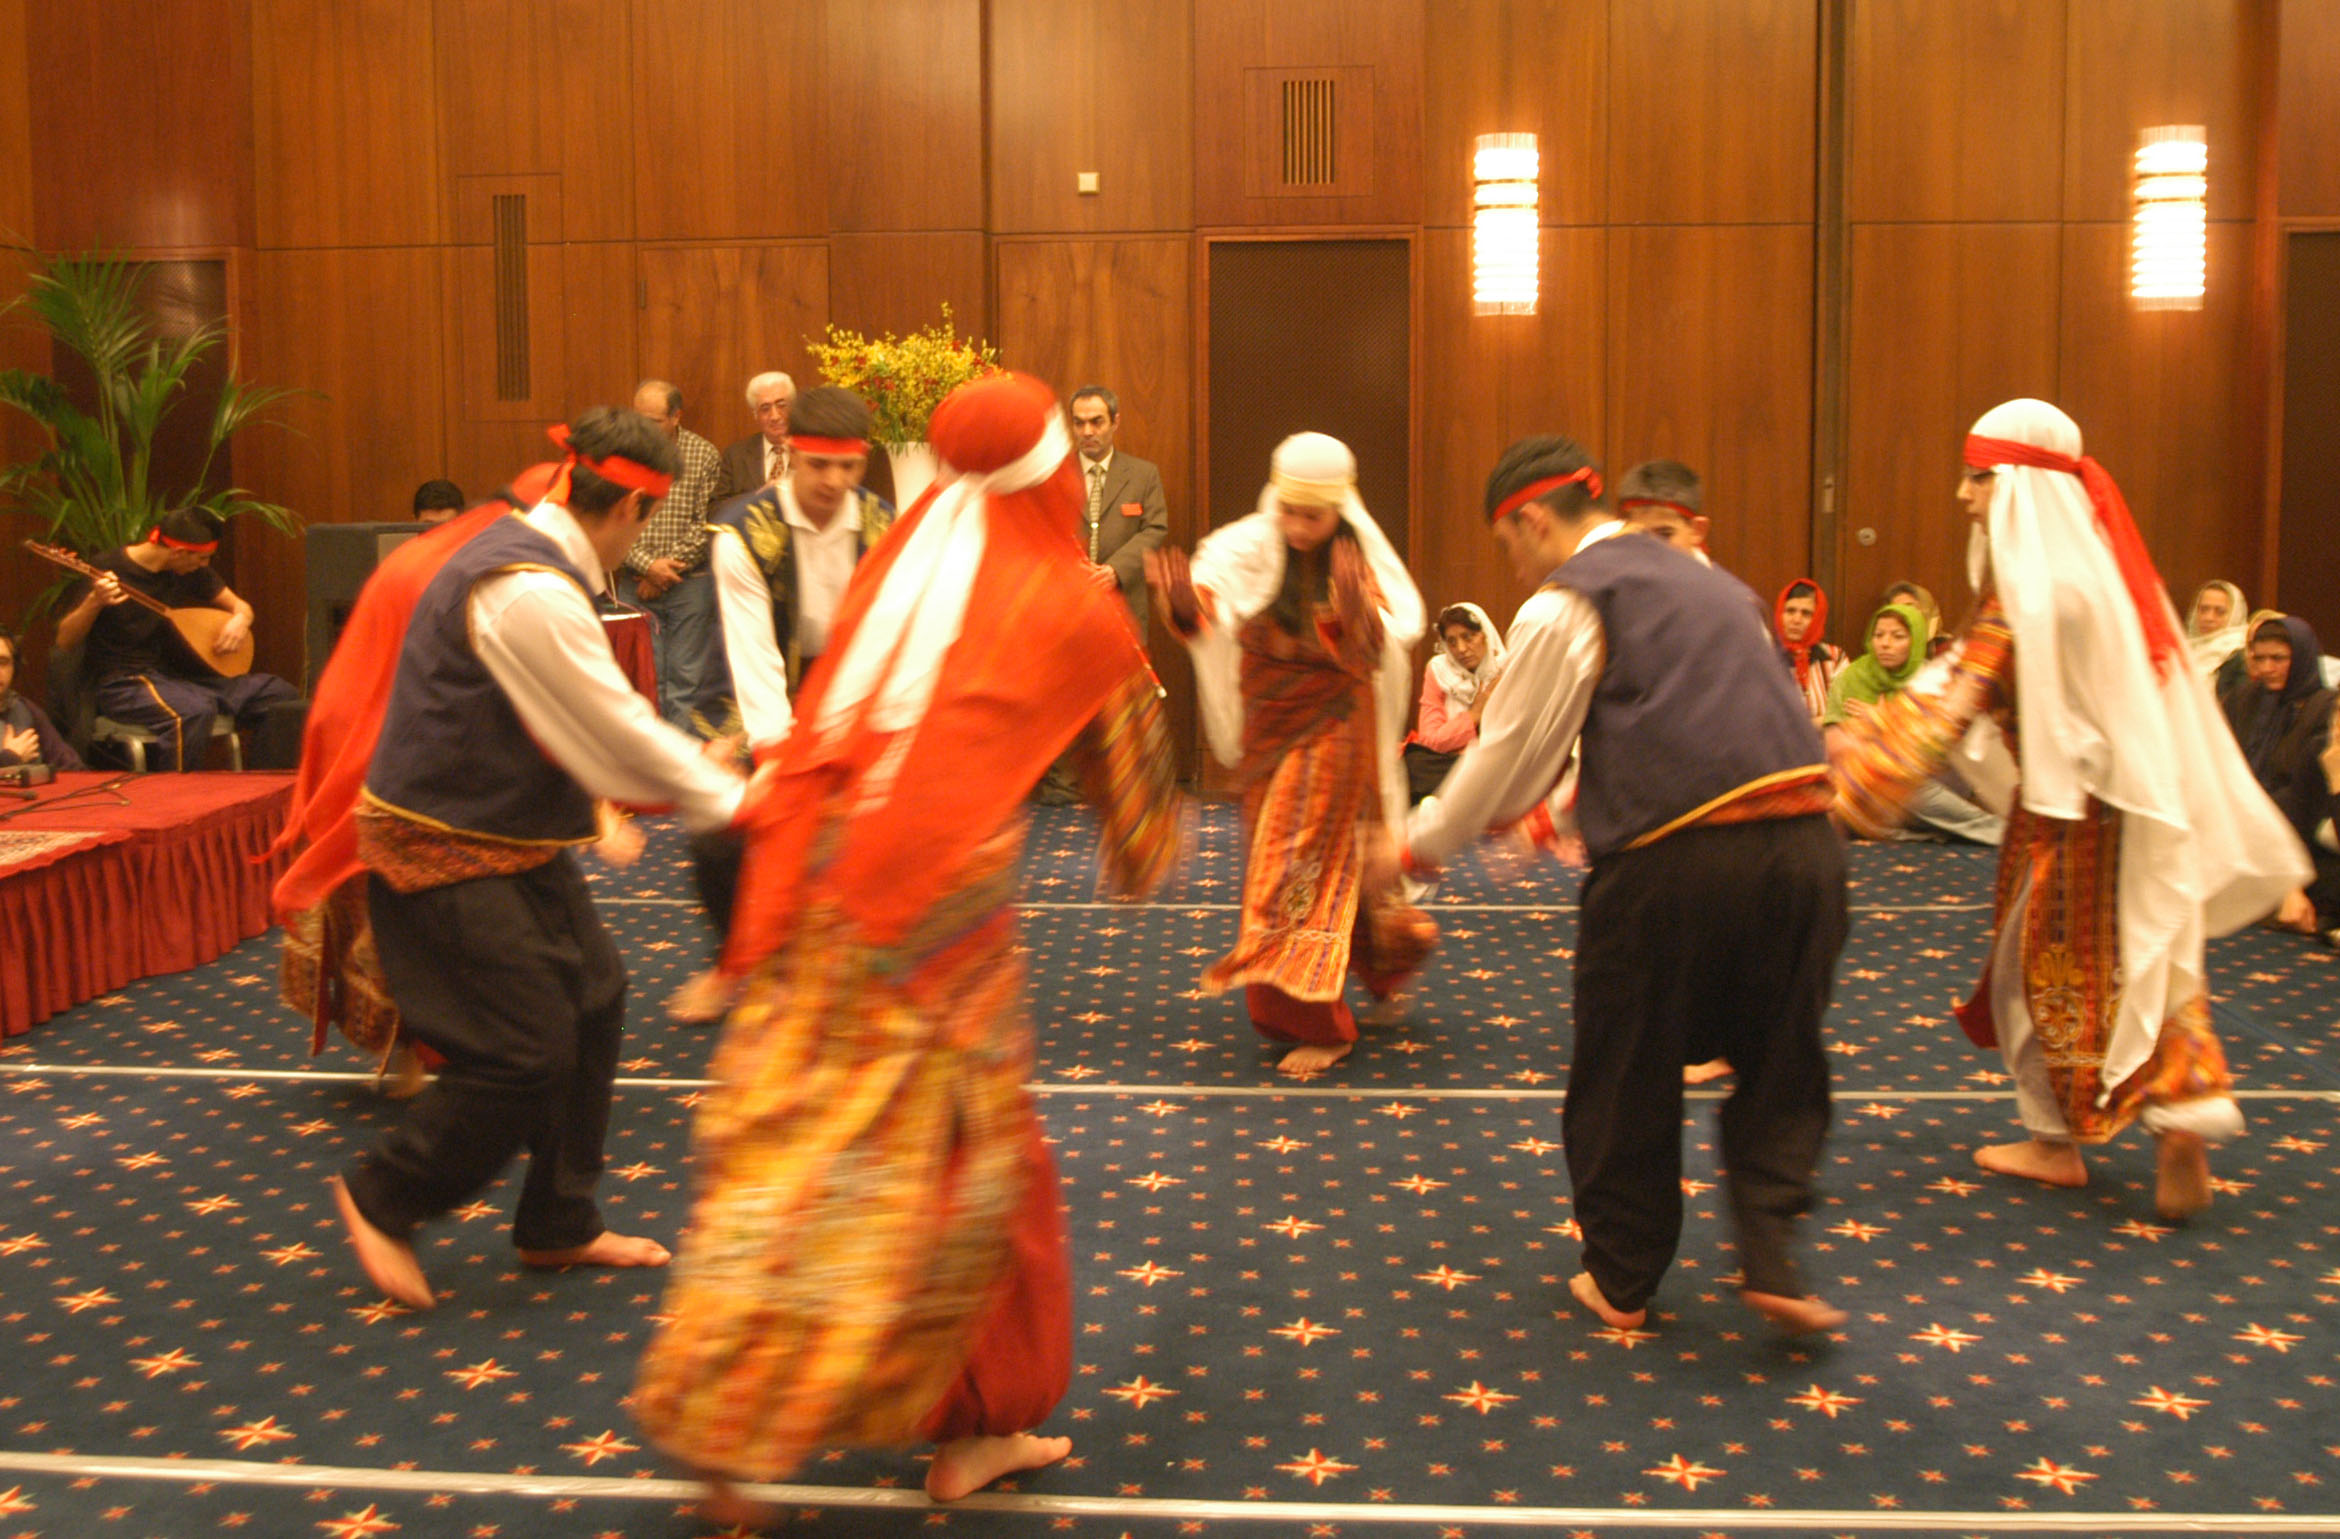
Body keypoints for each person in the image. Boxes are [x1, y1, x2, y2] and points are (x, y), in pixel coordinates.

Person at [632, 372, 1182, 1519]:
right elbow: (1141, 830)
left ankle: (721, 1398)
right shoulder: (1067, 598)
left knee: (794, 1149)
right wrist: (1138, 846)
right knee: (974, 1178)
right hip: (933, 918)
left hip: (806, 886)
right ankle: (972, 1423)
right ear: (1051, 470)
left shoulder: (901, 560)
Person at [1397, 434, 1847, 1338]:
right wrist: (1561, 815)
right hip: (1808, 849)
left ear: (1533, 519)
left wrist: (1417, 844)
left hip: (1674, 865)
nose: (1515, 567)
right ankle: (1772, 1255)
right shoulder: (1723, 586)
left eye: (1508, 545)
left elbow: (1510, 759)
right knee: (1781, 1059)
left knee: (1626, 1064)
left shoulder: (1568, 601)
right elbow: (1703, 726)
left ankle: (1622, 1279)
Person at [1832, 398, 2309, 1220]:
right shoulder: (2102, 580)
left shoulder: (2027, 590)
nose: (1963, 494)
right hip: (2139, 810)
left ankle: (2054, 1142)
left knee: (2034, 977)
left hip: (2064, 822)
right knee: (2154, 962)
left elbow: (1954, 695)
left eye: (1979, 477)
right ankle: (2180, 1111)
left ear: (2020, 485)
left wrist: (1858, 775)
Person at [331, 407, 749, 1313]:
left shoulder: (540, 560)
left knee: (595, 997)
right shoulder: (529, 589)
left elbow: (593, 736)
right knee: (521, 1051)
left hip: (509, 834)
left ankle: (557, 1220)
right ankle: (384, 1195)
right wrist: (740, 804)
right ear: (632, 512)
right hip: (438, 845)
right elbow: (616, 734)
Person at [1147, 432, 1436, 1075]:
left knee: (1289, 867)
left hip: (1334, 728)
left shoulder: (1357, 557)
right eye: (1290, 512)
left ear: (1340, 509)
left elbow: (1377, 651)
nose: (1299, 528)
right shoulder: (1248, 545)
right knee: (1324, 857)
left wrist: (1356, 614)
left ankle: (1313, 1022)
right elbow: (1205, 612)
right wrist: (1183, 604)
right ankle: (1386, 962)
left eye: (1315, 516)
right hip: (1268, 731)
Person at [670, 386, 896, 1024]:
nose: (834, 482)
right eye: (819, 465)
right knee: (719, 830)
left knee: (871, 824)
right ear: (791, 453)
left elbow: (884, 639)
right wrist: (776, 760)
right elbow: (753, 656)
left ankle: (852, 968)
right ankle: (731, 964)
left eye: (848, 467)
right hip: (752, 690)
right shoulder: (742, 530)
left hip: (850, 689)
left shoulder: (883, 524)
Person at [52, 508, 301, 772]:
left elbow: (242, 607)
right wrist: (95, 601)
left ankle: (260, 782)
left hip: (180, 678)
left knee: (280, 695)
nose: (205, 565)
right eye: (202, 558)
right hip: (124, 683)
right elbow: (64, 641)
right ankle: (176, 794)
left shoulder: (189, 570)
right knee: (193, 711)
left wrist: (241, 620)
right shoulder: (107, 569)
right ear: (179, 553)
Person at [1824, 601, 2003, 846]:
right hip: (1873, 781)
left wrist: (1880, 723)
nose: (1885, 643)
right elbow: (1837, 736)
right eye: (1879, 635)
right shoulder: (1852, 676)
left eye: (1897, 636)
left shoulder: (1930, 675)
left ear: (1916, 639)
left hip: (1922, 777)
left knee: (1920, 792)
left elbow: (1944, 728)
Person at [2219, 614, 2336, 936]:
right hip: (2238, 812)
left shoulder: (2324, 707)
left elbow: (2305, 790)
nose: (2267, 668)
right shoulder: (2243, 699)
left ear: (2302, 657)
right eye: (2259, 659)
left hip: (2296, 823)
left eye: (2278, 658)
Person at [620, 379, 726, 733]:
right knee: (641, 682)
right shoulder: (622, 452)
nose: (643, 429)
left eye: (652, 422)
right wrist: (647, 566)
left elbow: (706, 524)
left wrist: (663, 573)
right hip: (633, 580)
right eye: (638, 418)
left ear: (676, 417)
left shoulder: (704, 454)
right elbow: (613, 518)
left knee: (685, 683)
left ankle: (680, 758)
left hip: (688, 585)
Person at [1403, 602, 1505, 802]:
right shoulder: (1439, 671)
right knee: (1412, 762)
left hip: (1490, 765)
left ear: (1485, 635)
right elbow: (1429, 741)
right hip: (1447, 763)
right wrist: (1473, 715)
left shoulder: (1505, 671)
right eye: (1451, 641)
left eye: (1468, 637)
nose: (1461, 649)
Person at [0, 631, 84, 771]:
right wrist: (9, 758)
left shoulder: (24, 708)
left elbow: (71, 765)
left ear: (15, 667)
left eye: (3, 662)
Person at [711, 371, 794, 505]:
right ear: (755, 415)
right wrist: (756, 498)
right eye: (765, 408)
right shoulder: (736, 456)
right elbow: (715, 509)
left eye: (781, 405)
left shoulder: (810, 451)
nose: (775, 416)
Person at [1773, 578, 1844, 723]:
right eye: (1790, 611)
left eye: (1806, 614)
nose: (1796, 620)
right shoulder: (1763, 656)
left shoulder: (1834, 657)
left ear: (1818, 618)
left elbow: (1844, 713)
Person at [1615, 459, 1710, 563]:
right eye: (1639, 536)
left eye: (1664, 535)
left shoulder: (1708, 574)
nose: (1651, 549)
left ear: (1697, 530)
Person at [2187, 579, 2250, 682]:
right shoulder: (2186, 648)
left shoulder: (2240, 655)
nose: (2209, 618)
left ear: (2235, 614)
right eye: (2203, 609)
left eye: (2220, 612)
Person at [1882, 580, 1949, 659]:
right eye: (1898, 609)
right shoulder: (1885, 648)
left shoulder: (1949, 649)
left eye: (1910, 606)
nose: (1905, 613)